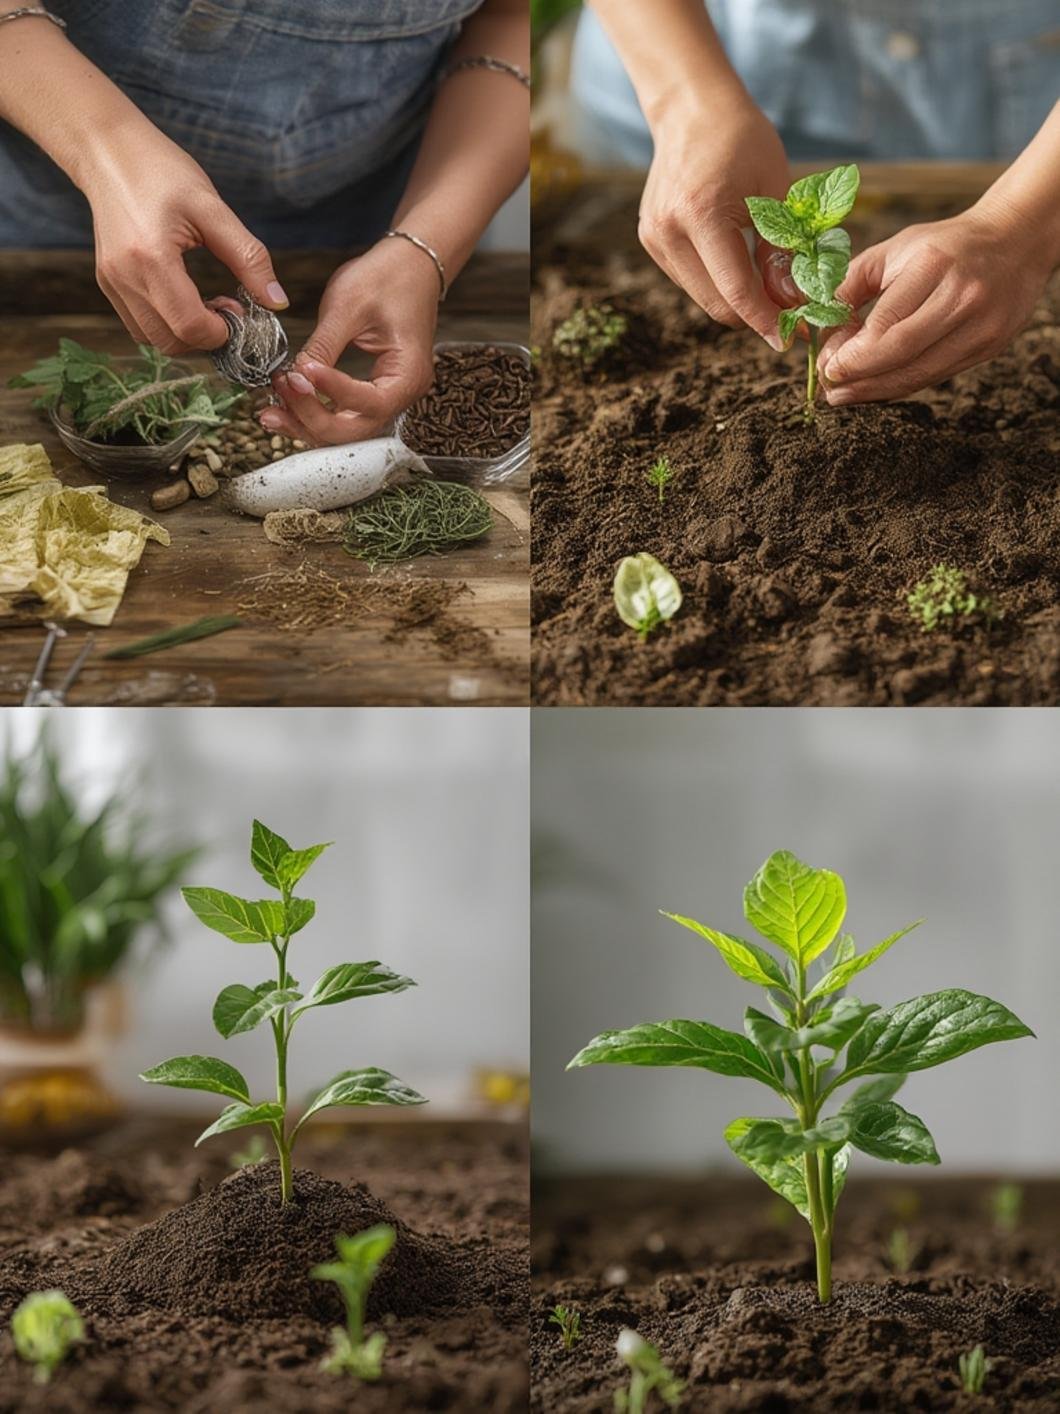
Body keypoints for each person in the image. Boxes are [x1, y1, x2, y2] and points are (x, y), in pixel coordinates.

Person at [0, 1, 529, 444]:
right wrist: (106, 150)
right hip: (60, 217)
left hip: (371, 223)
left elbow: (511, 17)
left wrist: (424, 247)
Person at [571, 1, 1060, 404]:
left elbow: (1024, 218)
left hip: (1022, 102)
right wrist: (683, 102)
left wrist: (1024, 217)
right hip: (687, 40)